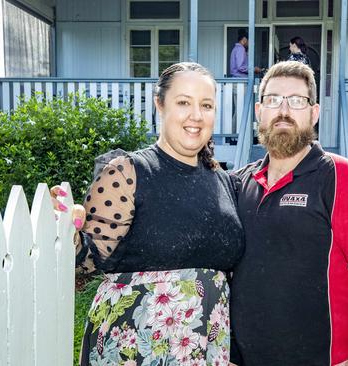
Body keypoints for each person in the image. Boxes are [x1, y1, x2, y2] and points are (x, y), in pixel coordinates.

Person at [53, 62, 245, 365]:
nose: (196, 115)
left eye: (206, 105)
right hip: (133, 349)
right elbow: (85, 263)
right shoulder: (128, 172)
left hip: (206, 350)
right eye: (183, 102)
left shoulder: (224, 181)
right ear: (160, 105)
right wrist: (65, 229)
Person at [229, 61, 348, 366]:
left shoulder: (343, 178)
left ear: (314, 113)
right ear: (258, 111)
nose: (284, 110)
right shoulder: (238, 184)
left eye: (297, 101)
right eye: (273, 100)